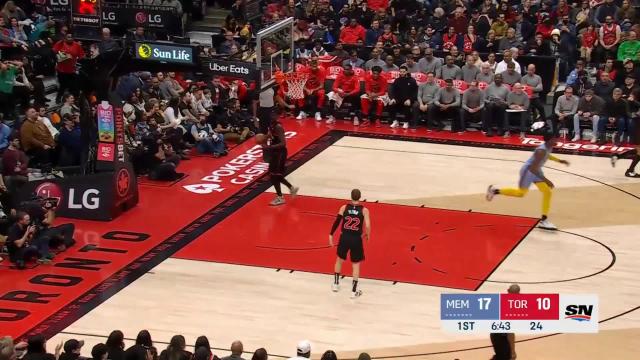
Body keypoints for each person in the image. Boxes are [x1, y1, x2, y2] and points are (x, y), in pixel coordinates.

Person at [486, 131, 570, 230]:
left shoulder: (549, 146)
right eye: (555, 139)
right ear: (550, 140)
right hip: (528, 171)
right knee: (520, 194)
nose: (557, 140)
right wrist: (546, 180)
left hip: (536, 171)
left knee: (547, 192)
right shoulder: (541, 150)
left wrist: (559, 160)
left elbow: (548, 156)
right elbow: (533, 168)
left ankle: (544, 220)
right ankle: (495, 191)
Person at [329, 189, 371, 298]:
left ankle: (336, 284)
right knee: (356, 264)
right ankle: (353, 291)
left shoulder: (344, 208)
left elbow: (337, 221)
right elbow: (367, 225)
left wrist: (331, 234)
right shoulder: (364, 210)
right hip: (356, 238)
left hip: (345, 237)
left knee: (339, 260)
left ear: (351, 196)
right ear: (360, 197)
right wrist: (367, 234)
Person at [262, 118, 299, 206]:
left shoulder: (278, 127)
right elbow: (268, 136)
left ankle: (280, 197)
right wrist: (263, 139)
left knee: (274, 175)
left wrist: (269, 147)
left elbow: (283, 143)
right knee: (273, 175)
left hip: (280, 153)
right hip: (275, 153)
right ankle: (291, 188)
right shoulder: (271, 126)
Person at [490, 284, 520, 360]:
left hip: (494, 334)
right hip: (501, 336)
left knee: (500, 356)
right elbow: (510, 332)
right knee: (507, 357)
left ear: (508, 291)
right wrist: (513, 351)